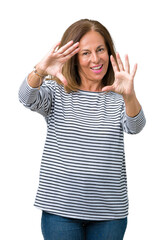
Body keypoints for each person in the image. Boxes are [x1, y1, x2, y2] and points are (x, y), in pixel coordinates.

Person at [19, 19, 146, 240]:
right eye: (85, 53)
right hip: (60, 211)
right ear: (74, 58)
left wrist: (129, 96)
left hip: (109, 213)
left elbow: (135, 127)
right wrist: (39, 70)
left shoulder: (118, 95)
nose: (95, 59)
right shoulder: (56, 91)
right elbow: (25, 98)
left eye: (100, 50)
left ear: (109, 52)